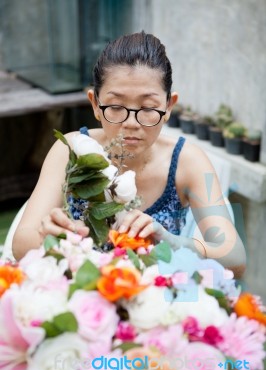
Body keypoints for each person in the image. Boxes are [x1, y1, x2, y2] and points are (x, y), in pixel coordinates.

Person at [12, 31, 246, 277]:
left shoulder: (190, 161)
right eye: (115, 106)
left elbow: (235, 257)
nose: (132, 123)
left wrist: (172, 242)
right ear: (94, 104)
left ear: (168, 107)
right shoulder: (69, 149)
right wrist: (46, 235)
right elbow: (20, 242)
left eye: (147, 108)